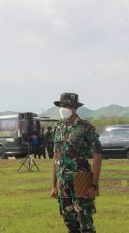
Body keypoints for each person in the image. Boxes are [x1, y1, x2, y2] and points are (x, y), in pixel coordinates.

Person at [50, 93, 102, 233]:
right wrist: (54, 185)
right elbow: (56, 157)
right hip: (63, 183)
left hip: (81, 181)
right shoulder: (58, 128)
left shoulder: (85, 127)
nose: (62, 108)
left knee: (85, 224)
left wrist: (94, 185)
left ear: (74, 108)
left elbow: (97, 156)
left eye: (66, 105)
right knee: (70, 222)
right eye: (61, 105)